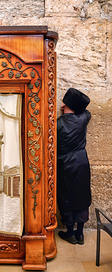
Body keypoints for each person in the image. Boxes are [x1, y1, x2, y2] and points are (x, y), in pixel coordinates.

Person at [57, 88, 91, 245]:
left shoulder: (58, 124)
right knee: (82, 195)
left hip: (65, 164)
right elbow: (86, 112)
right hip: (81, 161)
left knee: (66, 197)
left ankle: (70, 233)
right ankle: (80, 234)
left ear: (64, 104)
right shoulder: (83, 118)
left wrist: (66, 112)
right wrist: (75, 108)